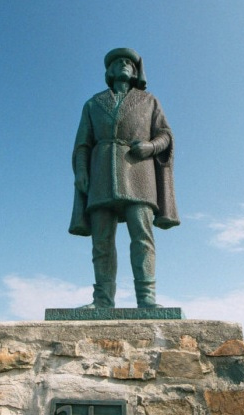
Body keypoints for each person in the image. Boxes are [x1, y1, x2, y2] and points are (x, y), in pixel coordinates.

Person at [69, 48, 179, 309]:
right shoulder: (93, 104)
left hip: (139, 173)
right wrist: (81, 172)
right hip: (101, 176)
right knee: (102, 241)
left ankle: (147, 299)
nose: (124, 64)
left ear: (136, 71)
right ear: (109, 71)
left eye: (129, 62)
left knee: (142, 236)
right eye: (118, 62)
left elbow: (166, 135)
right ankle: (102, 300)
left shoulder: (149, 101)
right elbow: (83, 144)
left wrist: (150, 148)